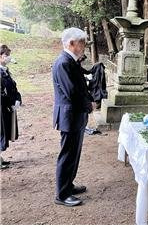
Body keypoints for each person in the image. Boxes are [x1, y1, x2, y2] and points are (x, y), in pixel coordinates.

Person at [52, 27, 96, 207]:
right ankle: (62, 195)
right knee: (68, 154)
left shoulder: (71, 61)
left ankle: (68, 185)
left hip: (75, 114)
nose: (84, 46)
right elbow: (71, 92)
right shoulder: (63, 63)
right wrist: (88, 104)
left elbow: (79, 85)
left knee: (74, 153)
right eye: (82, 43)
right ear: (71, 43)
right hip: (69, 114)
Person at [0, 44, 21, 169]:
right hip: (2, 107)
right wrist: (10, 103)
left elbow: (12, 87)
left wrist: (18, 99)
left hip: (6, 107)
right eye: (6, 55)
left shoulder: (5, 71)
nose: (8, 57)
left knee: (5, 131)